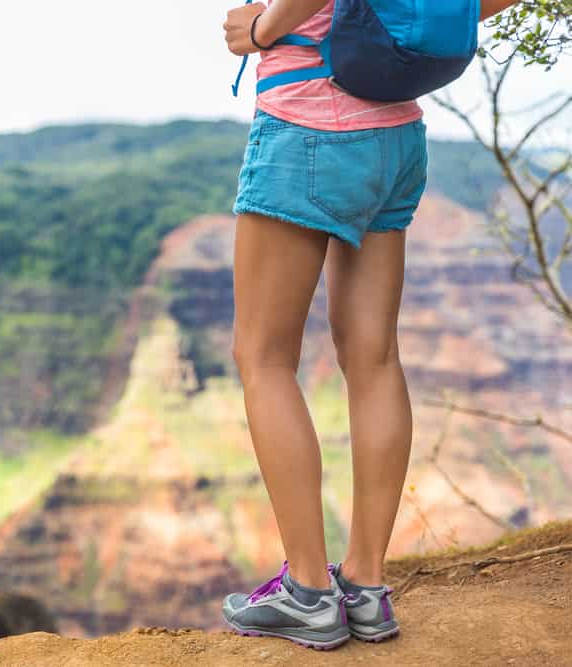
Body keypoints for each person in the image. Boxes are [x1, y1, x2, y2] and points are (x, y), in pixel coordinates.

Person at [219, 0, 523, 650]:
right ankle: (366, 585)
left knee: (263, 355)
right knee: (373, 355)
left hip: (309, 121)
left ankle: (308, 590)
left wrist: (263, 27)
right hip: (395, 131)